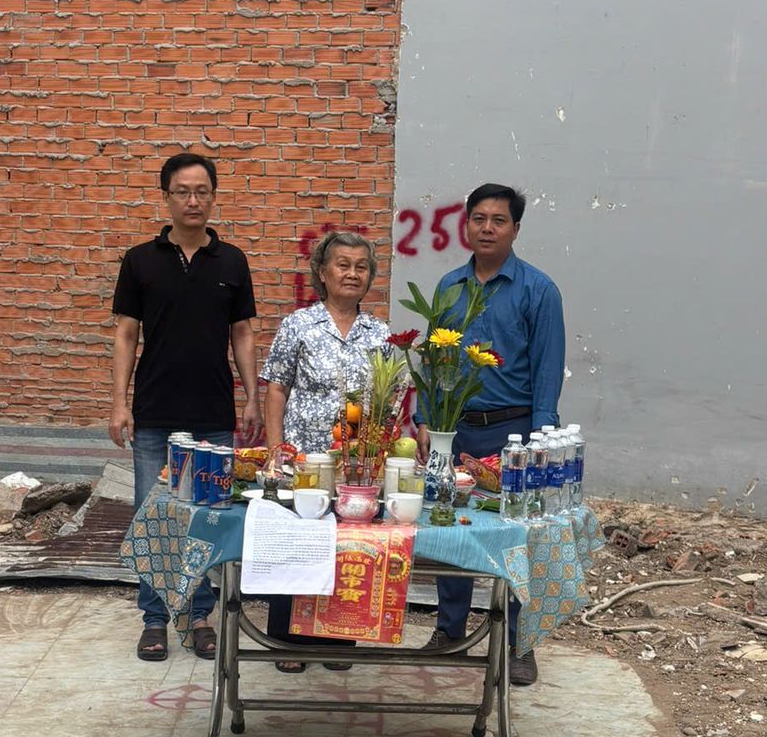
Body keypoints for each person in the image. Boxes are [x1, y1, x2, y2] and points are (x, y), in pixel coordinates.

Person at [110, 152, 262, 662]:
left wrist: (252, 398)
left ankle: (199, 617)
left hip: (212, 417)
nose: (193, 200)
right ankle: (155, 619)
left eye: (202, 191)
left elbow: (242, 334)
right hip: (154, 413)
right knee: (154, 518)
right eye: (182, 191)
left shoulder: (232, 261)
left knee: (207, 520)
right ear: (167, 197)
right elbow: (126, 334)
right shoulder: (140, 260)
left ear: (213, 197)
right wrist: (119, 403)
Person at [416, 183, 565, 685]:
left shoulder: (538, 290)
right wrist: (425, 419)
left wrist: (541, 441)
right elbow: (433, 360)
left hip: (514, 434)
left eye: (498, 220)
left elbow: (548, 368)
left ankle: (520, 642)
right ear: (466, 225)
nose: (487, 228)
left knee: (517, 537)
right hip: (454, 431)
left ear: (515, 229)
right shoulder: (449, 288)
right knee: (448, 528)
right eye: (478, 218)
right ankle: (449, 629)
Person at [260, 230, 390, 672]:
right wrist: (276, 448)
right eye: (343, 265)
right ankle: (287, 641)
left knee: (347, 545)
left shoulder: (380, 334)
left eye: (361, 267)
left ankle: (337, 639)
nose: (352, 273)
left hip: (354, 463)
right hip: (303, 458)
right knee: (297, 542)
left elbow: (385, 398)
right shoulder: (299, 325)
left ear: (370, 276)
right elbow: (277, 388)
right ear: (322, 271)